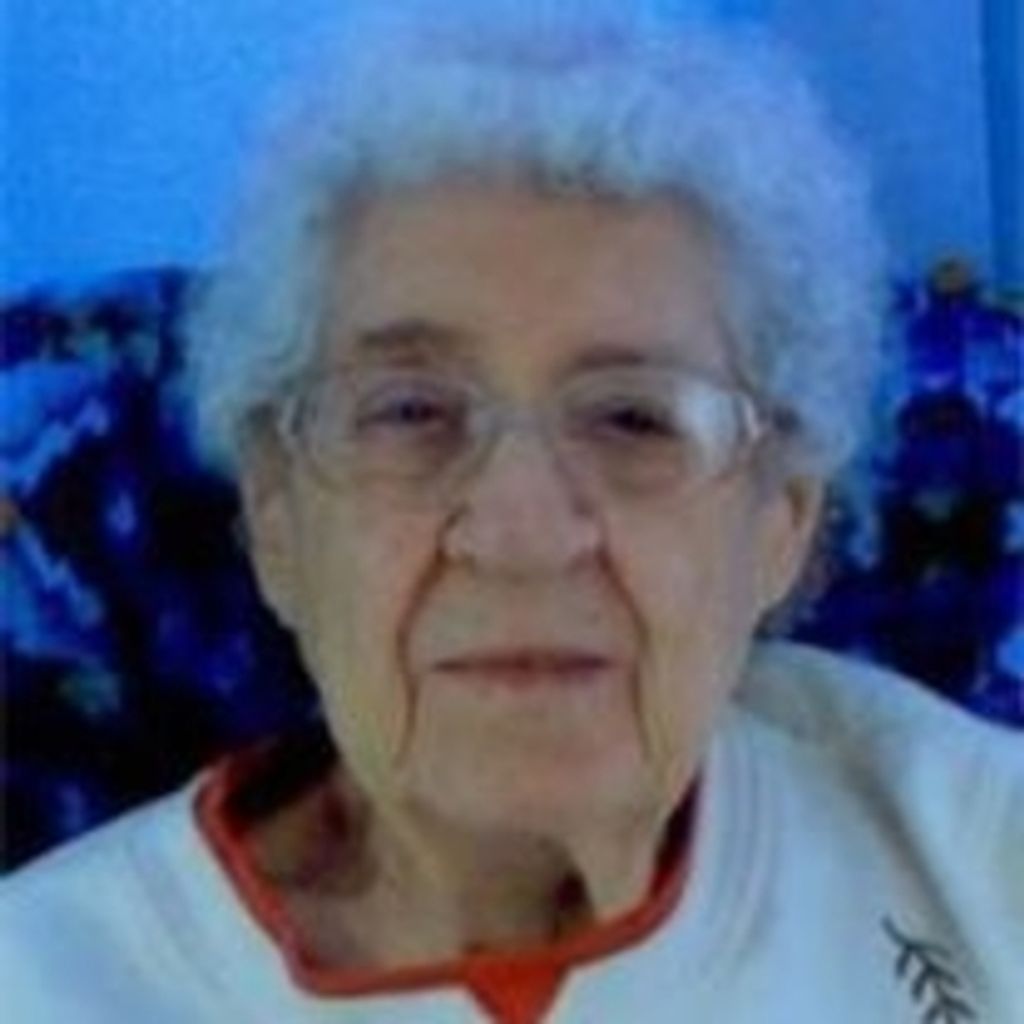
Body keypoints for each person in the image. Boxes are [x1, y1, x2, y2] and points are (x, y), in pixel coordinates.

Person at [1, 3, 1020, 1021]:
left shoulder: (974, 855)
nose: (521, 537)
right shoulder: (44, 978)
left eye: (633, 418)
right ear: (275, 517)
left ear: (782, 522)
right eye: (409, 412)